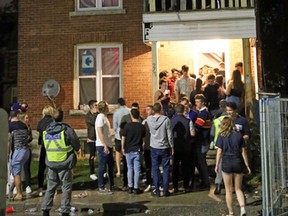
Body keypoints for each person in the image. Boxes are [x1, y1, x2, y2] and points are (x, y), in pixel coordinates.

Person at [41, 109, 80, 216]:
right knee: (66, 187)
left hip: (51, 163)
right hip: (64, 162)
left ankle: (45, 209)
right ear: (62, 118)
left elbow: (45, 146)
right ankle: (65, 210)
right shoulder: (67, 130)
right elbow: (76, 144)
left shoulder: (46, 131)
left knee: (51, 187)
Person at [215, 117, 251, 216]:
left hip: (226, 162)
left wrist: (217, 165)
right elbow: (243, 151)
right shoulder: (239, 135)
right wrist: (247, 165)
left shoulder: (221, 136)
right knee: (238, 188)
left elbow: (219, 152)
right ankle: (242, 208)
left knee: (228, 190)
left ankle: (231, 213)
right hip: (237, 162)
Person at [147, 102, 173, 197]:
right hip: (164, 146)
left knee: (155, 168)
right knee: (166, 169)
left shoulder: (149, 119)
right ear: (161, 109)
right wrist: (172, 147)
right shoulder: (166, 120)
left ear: (153, 110)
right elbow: (169, 135)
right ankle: (165, 190)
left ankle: (157, 190)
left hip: (154, 146)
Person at [171, 104, 195, 193]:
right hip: (186, 147)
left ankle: (175, 186)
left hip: (175, 147)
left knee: (175, 167)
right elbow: (192, 134)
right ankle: (186, 186)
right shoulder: (188, 121)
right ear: (183, 110)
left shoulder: (171, 120)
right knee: (185, 167)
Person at [121, 109, 146, 194]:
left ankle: (130, 186)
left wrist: (122, 148)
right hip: (137, 150)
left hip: (128, 149)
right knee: (137, 169)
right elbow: (143, 140)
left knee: (129, 169)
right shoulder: (142, 127)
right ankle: (136, 187)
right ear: (138, 116)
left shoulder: (127, 126)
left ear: (131, 116)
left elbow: (123, 137)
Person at [8, 110, 31, 201]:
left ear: (10, 118)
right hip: (26, 151)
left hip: (18, 151)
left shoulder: (10, 126)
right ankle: (15, 190)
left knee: (16, 173)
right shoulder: (24, 125)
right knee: (18, 171)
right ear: (17, 116)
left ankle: (19, 194)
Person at [95, 101, 115, 194]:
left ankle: (111, 184)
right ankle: (101, 186)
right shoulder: (100, 117)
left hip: (108, 144)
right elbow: (99, 131)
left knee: (110, 165)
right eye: (107, 106)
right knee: (102, 166)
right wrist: (104, 145)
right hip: (102, 145)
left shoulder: (104, 117)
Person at [37, 105, 56, 197]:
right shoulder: (53, 122)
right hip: (52, 146)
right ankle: (52, 187)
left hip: (44, 146)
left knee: (41, 167)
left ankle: (40, 187)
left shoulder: (41, 122)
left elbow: (39, 132)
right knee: (51, 167)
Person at [194, 94, 211, 189]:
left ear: (202, 102)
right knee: (200, 161)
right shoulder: (203, 112)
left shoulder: (203, 113)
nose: (196, 104)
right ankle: (205, 180)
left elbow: (197, 126)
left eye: (198, 102)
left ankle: (205, 181)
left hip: (202, 140)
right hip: (203, 140)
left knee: (201, 162)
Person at [113, 98, 130, 178]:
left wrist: (117, 132)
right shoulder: (129, 111)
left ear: (118, 104)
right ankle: (128, 169)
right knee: (127, 153)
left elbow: (115, 126)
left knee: (118, 152)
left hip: (118, 136)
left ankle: (119, 171)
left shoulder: (116, 113)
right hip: (128, 136)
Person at [18, 113, 33, 194]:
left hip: (27, 149)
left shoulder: (29, 127)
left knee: (27, 168)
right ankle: (19, 185)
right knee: (19, 169)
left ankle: (28, 185)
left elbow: (30, 138)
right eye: (26, 118)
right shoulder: (20, 128)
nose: (28, 119)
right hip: (20, 150)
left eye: (28, 118)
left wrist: (28, 140)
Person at [85, 100, 98, 181]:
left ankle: (103, 171)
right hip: (92, 138)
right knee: (92, 155)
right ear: (91, 107)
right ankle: (92, 172)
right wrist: (96, 114)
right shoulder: (88, 116)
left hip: (99, 138)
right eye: (96, 105)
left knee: (101, 154)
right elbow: (94, 122)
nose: (97, 107)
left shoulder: (98, 114)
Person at [142, 105, 154, 192]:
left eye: (149, 109)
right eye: (146, 110)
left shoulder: (155, 120)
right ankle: (149, 181)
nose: (147, 111)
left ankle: (156, 182)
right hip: (147, 146)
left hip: (154, 146)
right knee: (148, 166)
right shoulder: (144, 122)